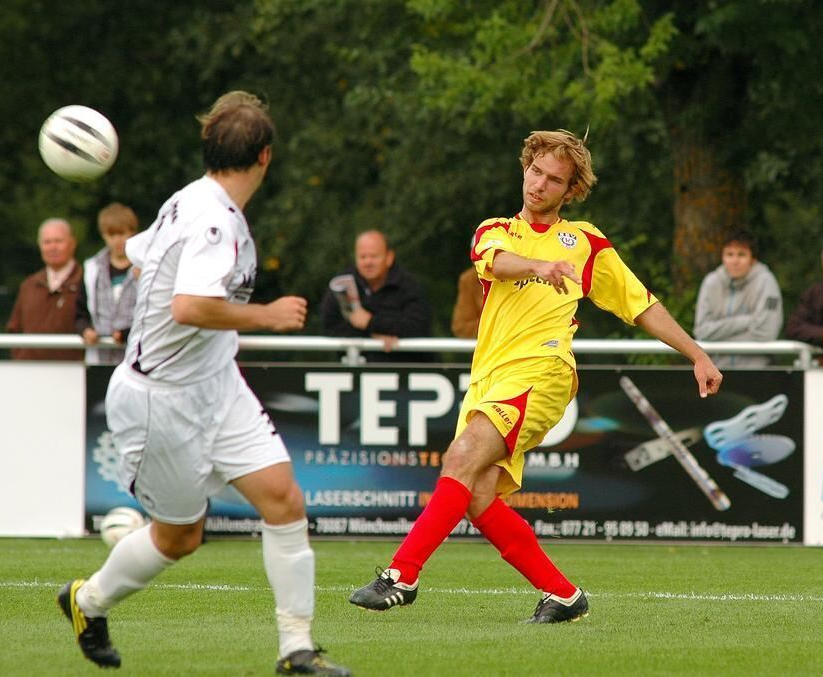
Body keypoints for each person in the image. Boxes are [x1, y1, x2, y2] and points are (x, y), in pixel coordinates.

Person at [349, 129, 722, 623]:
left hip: (544, 371)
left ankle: (401, 576)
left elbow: (641, 304)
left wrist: (697, 354)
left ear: (570, 191)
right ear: (525, 168)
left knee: (460, 456)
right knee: (477, 495)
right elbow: (499, 264)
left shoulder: (585, 243)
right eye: (535, 172)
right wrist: (540, 266)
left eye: (554, 180)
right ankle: (563, 595)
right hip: (490, 378)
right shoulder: (493, 229)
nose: (540, 185)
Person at [56, 91, 351, 676]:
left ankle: (296, 648)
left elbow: (141, 258)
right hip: (158, 401)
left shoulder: (190, 199)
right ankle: (86, 602)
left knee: (285, 501)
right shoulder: (214, 219)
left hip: (216, 384)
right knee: (180, 538)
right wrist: (264, 315)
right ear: (265, 156)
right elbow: (190, 306)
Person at [319, 229, 432, 361]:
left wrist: (371, 322)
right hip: (354, 371)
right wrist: (372, 337)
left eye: (374, 256)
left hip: (404, 370)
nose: (368, 262)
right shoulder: (341, 285)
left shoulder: (408, 286)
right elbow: (330, 327)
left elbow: (418, 327)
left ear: (389, 258)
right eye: (362, 257)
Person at [693, 229, 783, 368]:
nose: (735, 261)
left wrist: (718, 335)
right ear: (722, 257)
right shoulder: (711, 282)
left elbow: (766, 332)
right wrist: (748, 321)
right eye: (729, 254)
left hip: (757, 372)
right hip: (715, 371)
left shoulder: (766, 281)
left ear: (753, 259)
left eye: (741, 255)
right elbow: (701, 331)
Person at [6, 217, 84, 361]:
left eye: (58, 241)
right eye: (47, 242)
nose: (53, 247)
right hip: (29, 373)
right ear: (40, 245)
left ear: (72, 243)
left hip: (72, 374)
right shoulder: (29, 285)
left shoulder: (86, 282)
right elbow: (14, 329)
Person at [75, 202, 140, 365]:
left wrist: (126, 333)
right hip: (99, 359)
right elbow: (79, 313)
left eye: (122, 233)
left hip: (137, 359)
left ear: (133, 232)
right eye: (111, 235)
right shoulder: (91, 269)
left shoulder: (146, 267)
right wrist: (85, 330)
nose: (117, 240)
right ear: (103, 235)